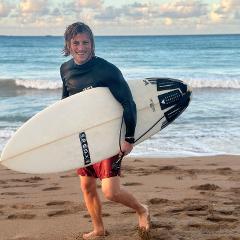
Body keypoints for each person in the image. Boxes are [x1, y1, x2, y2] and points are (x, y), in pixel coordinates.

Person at [60, 22, 150, 239]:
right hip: (84, 136)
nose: (81, 47)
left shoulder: (107, 70)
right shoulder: (65, 69)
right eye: (76, 43)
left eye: (85, 42)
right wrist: (63, 134)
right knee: (87, 186)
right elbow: (65, 102)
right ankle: (99, 228)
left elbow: (128, 103)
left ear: (92, 44)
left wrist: (129, 138)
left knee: (111, 192)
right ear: (68, 45)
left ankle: (142, 209)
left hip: (110, 136)